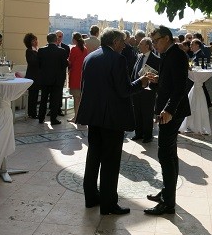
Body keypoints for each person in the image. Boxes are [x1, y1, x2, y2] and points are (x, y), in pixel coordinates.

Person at [77, 28, 149, 215]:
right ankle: (108, 204)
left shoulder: (90, 57)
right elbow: (124, 90)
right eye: (123, 42)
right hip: (112, 118)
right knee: (110, 161)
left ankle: (91, 197)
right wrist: (141, 82)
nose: (125, 45)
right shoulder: (118, 59)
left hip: (94, 116)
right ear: (115, 42)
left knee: (93, 157)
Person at [144, 26, 190, 216]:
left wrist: (168, 110)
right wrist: (158, 79)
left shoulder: (176, 55)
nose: (154, 45)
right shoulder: (168, 54)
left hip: (172, 112)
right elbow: (171, 80)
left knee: (165, 155)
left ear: (167, 38)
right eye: (152, 42)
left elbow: (180, 87)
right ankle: (166, 192)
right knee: (170, 153)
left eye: (156, 41)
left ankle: (168, 203)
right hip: (169, 110)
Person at [130, 37, 160, 143]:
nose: (138, 45)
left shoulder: (156, 59)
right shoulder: (138, 56)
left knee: (147, 113)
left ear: (147, 46)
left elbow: (158, 76)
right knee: (137, 112)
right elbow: (134, 72)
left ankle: (148, 135)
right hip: (137, 89)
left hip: (149, 90)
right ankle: (138, 133)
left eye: (141, 44)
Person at [37, 33, 68, 125]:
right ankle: (53, 119)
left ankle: (41, 118)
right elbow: (64, 65)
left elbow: (39, 64)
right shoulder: (62, 51)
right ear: (56, 40)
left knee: (43, 99)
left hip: (45, 79)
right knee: (55, 100)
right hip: (57, 80)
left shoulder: (41, 50)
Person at [68, 32, 88, 120]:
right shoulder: (85, 49)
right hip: (82, 75)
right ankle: (81, 116)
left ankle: (76, 117)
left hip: (75, 75)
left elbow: (70, 61)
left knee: (76, 98)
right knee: (80, 98)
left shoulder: (74, 49)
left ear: (74, 39)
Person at [53, 30, 71, 117]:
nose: (58, 38)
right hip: (51, 74)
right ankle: (52, 109)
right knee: (51, 92)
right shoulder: (49, 46)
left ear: (62, 37)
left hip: (61, 73)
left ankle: (58, 109)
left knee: (59, 92)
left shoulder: (66, 47)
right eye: (56, 36)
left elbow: (67, 61)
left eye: (60, 36)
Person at [23, 33, 40, 119]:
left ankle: (33, 112)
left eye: (36, 40)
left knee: (35, 94)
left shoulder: (37, 50)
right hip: (32, 76)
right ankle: (32, 113)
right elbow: (32, 62)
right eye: (33, 40)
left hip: (37, 76)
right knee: (32, 95)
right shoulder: (29, 51)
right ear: (29, 42)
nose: (36, 42)